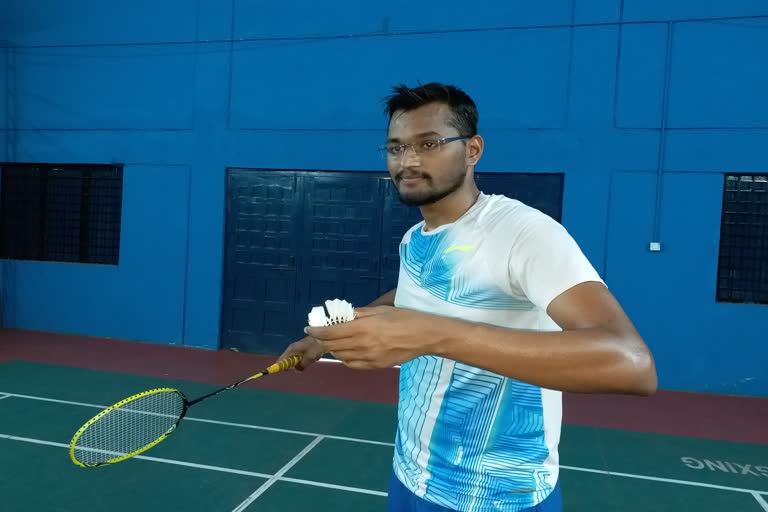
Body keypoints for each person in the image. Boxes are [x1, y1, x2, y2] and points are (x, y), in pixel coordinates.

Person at [279, 82, 657, 512]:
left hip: (498, 497)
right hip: (411, 477)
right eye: (396, 147)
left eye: (429, 144)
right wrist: (328, 337)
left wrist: (433, 335)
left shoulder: (524, 233)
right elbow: (413, 298)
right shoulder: (415, 239)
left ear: (473, 150)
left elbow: (632, 364)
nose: (408, 160)